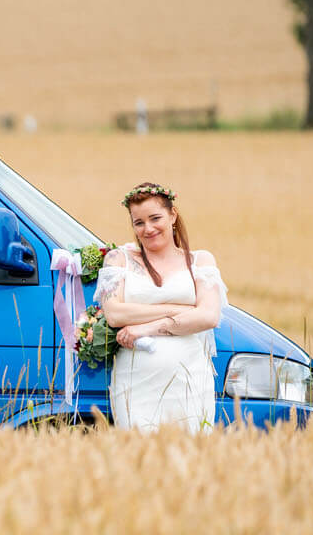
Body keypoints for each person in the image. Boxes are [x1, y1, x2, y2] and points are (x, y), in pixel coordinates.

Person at [95, 182, 229, 434]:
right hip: (136, 381)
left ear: (173, 215)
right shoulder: (118, 259)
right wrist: (181, 309)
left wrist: (146, 328)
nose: (148, 229)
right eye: (139, 222)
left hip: (189, 378)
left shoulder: (200, 261)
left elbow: (209, 316)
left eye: (155, 218)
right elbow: (115, 314)